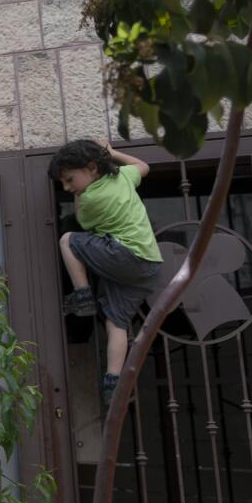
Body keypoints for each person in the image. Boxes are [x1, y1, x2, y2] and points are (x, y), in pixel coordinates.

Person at [50, 138, 163, 406]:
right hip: (148, 265)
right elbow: (143, 166)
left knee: (68, 241)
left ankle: (83, 295)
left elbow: (82, 222)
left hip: (124, 255)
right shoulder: (124, 177)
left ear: (91, 168)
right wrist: (113, 154)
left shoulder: (91, 198)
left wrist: (78, 196)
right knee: (117, 321)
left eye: (69, 180)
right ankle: (114, 382)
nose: (67, 188)